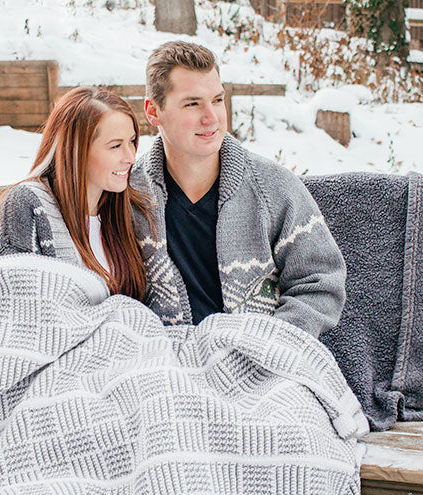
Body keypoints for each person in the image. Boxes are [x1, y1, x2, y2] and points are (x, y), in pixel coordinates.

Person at [132, 41, 346, 337]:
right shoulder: (128, 194)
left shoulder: (275, 188)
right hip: (166, 362)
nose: (212, 117)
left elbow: (321, 283)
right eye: (192, 103)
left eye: (217, 100)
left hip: (261, 359)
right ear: (153, 112)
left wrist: (269, 344)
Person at [0, 86, 149, 300]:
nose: (131, 157)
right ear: (76, 150)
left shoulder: (124, 212)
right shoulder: (25, 205)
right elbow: (12, 306)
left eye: (132, 142)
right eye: (115, 146)